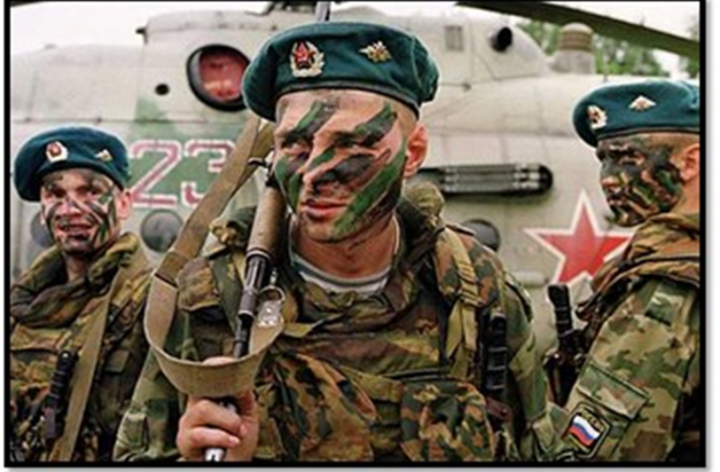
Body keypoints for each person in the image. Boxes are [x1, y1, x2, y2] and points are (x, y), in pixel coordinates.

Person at [114, 22, 567, 462]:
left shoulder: (473, 287)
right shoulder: (211, 297)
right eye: (295, 145)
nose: (315, 173)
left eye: (353, 144)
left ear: (413, 153)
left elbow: (538, 446)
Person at [559, 80, 701, 462]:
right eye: (604, 159)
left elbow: (599, 455)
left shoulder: (666, 289)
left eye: (627, 158)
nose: (608, 178)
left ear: (691, 162)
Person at [10, 126, 153, 462]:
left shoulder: (153, 302)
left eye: (90, 192)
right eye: (56, 195)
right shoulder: (21, 306)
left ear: (124, 203)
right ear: (42, 210)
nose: (71, 209)